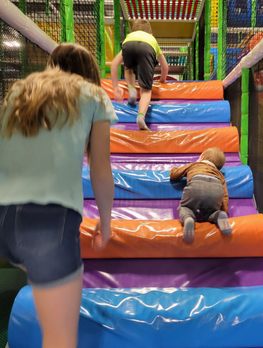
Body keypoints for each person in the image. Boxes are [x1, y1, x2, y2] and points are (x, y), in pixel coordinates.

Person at [0, 43, 116, 348]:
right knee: (60, 336)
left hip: (3, 215)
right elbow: (101, 170)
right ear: (90, 73)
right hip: (48, 221)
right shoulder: (93, 96)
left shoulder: (20, 91)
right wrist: (106, 225)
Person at [111, 19, 169, 131]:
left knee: (128, 69)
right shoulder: (152, 40)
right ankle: (141, 117)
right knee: (146, 91)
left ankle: (132, 90)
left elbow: (114, 64)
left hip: (128, 46)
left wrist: (115, 87)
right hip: (147, 49)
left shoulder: (129, 37)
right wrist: (162, 79)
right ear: (150, 33)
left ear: (133, 30)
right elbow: (165, 66)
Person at [170, 147, 232, 243]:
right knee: (211, 212)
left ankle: (188, 218)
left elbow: (175, 175)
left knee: (185, 208)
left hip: (196, 185)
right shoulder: (219, 174)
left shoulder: (195, 165)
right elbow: (224, 194)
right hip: (216, 189)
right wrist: (224, 209)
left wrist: (173, 170)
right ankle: (219, 215)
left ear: (202, 157)